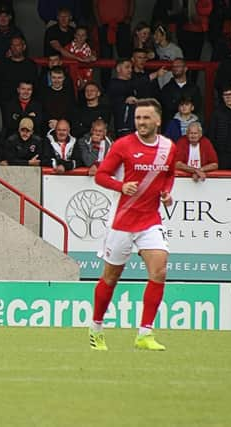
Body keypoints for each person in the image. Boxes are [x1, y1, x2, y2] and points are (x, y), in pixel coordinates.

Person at [90, 98, 176, 351]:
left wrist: (167, 192)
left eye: (146, 118)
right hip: (122, 220)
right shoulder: (123, 145)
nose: (141, 122)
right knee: (111, 277)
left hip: (150, 219)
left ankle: (145, 334)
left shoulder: (169, 147)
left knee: (159, 270)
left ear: (158, 120)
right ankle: (96, 328)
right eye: (138, 118)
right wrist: (121, 186)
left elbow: (169, 174)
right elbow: (100, 175)